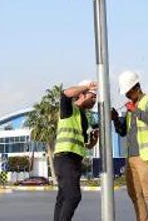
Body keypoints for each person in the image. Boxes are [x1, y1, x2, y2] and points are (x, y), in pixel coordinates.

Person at [111, 71, 148, 221]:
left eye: (128, 93)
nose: (127, 96)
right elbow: (122, 132)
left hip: (146, 156)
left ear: (136, 87)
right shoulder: (130, 109)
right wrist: (115, 119)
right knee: (134, 193)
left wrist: (135, 110)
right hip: (131, 158)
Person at [53, 80, 99, 221]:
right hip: (65, 158)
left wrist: (94, 140)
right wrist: (87, 86)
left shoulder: (83, 118)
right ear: (81, 95)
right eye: (92, 97)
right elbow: (65, 94)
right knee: (73, 196)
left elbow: (87, 145)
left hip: (74, 160)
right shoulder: (69, 109)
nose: (94, 102)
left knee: (63, 198)